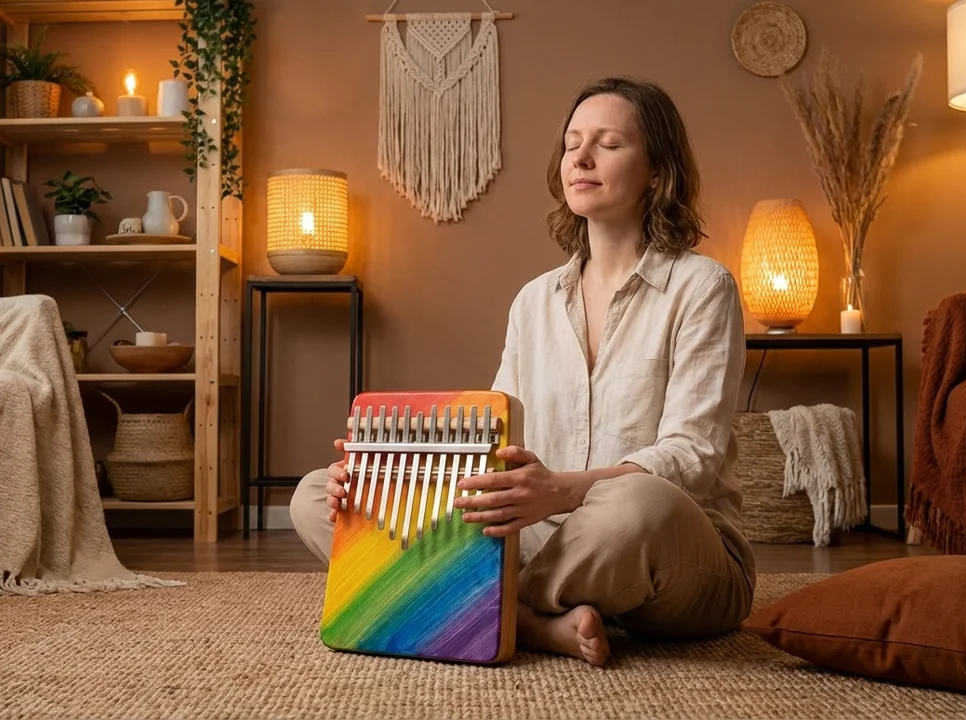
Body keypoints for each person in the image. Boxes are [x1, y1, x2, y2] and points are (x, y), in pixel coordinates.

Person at [289, 76, 755, 667]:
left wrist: (560, 491)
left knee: (641, 501)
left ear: (658, 171)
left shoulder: (703, 287)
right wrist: (384, 470)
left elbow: (690, 458)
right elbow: (493, 439)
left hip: (673, 552)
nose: (580, 158)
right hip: (541, 537)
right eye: (571, 143)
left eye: (608, 144)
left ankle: (477, 606)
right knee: (316, 495)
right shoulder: (534, 300)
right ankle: (534, 621)